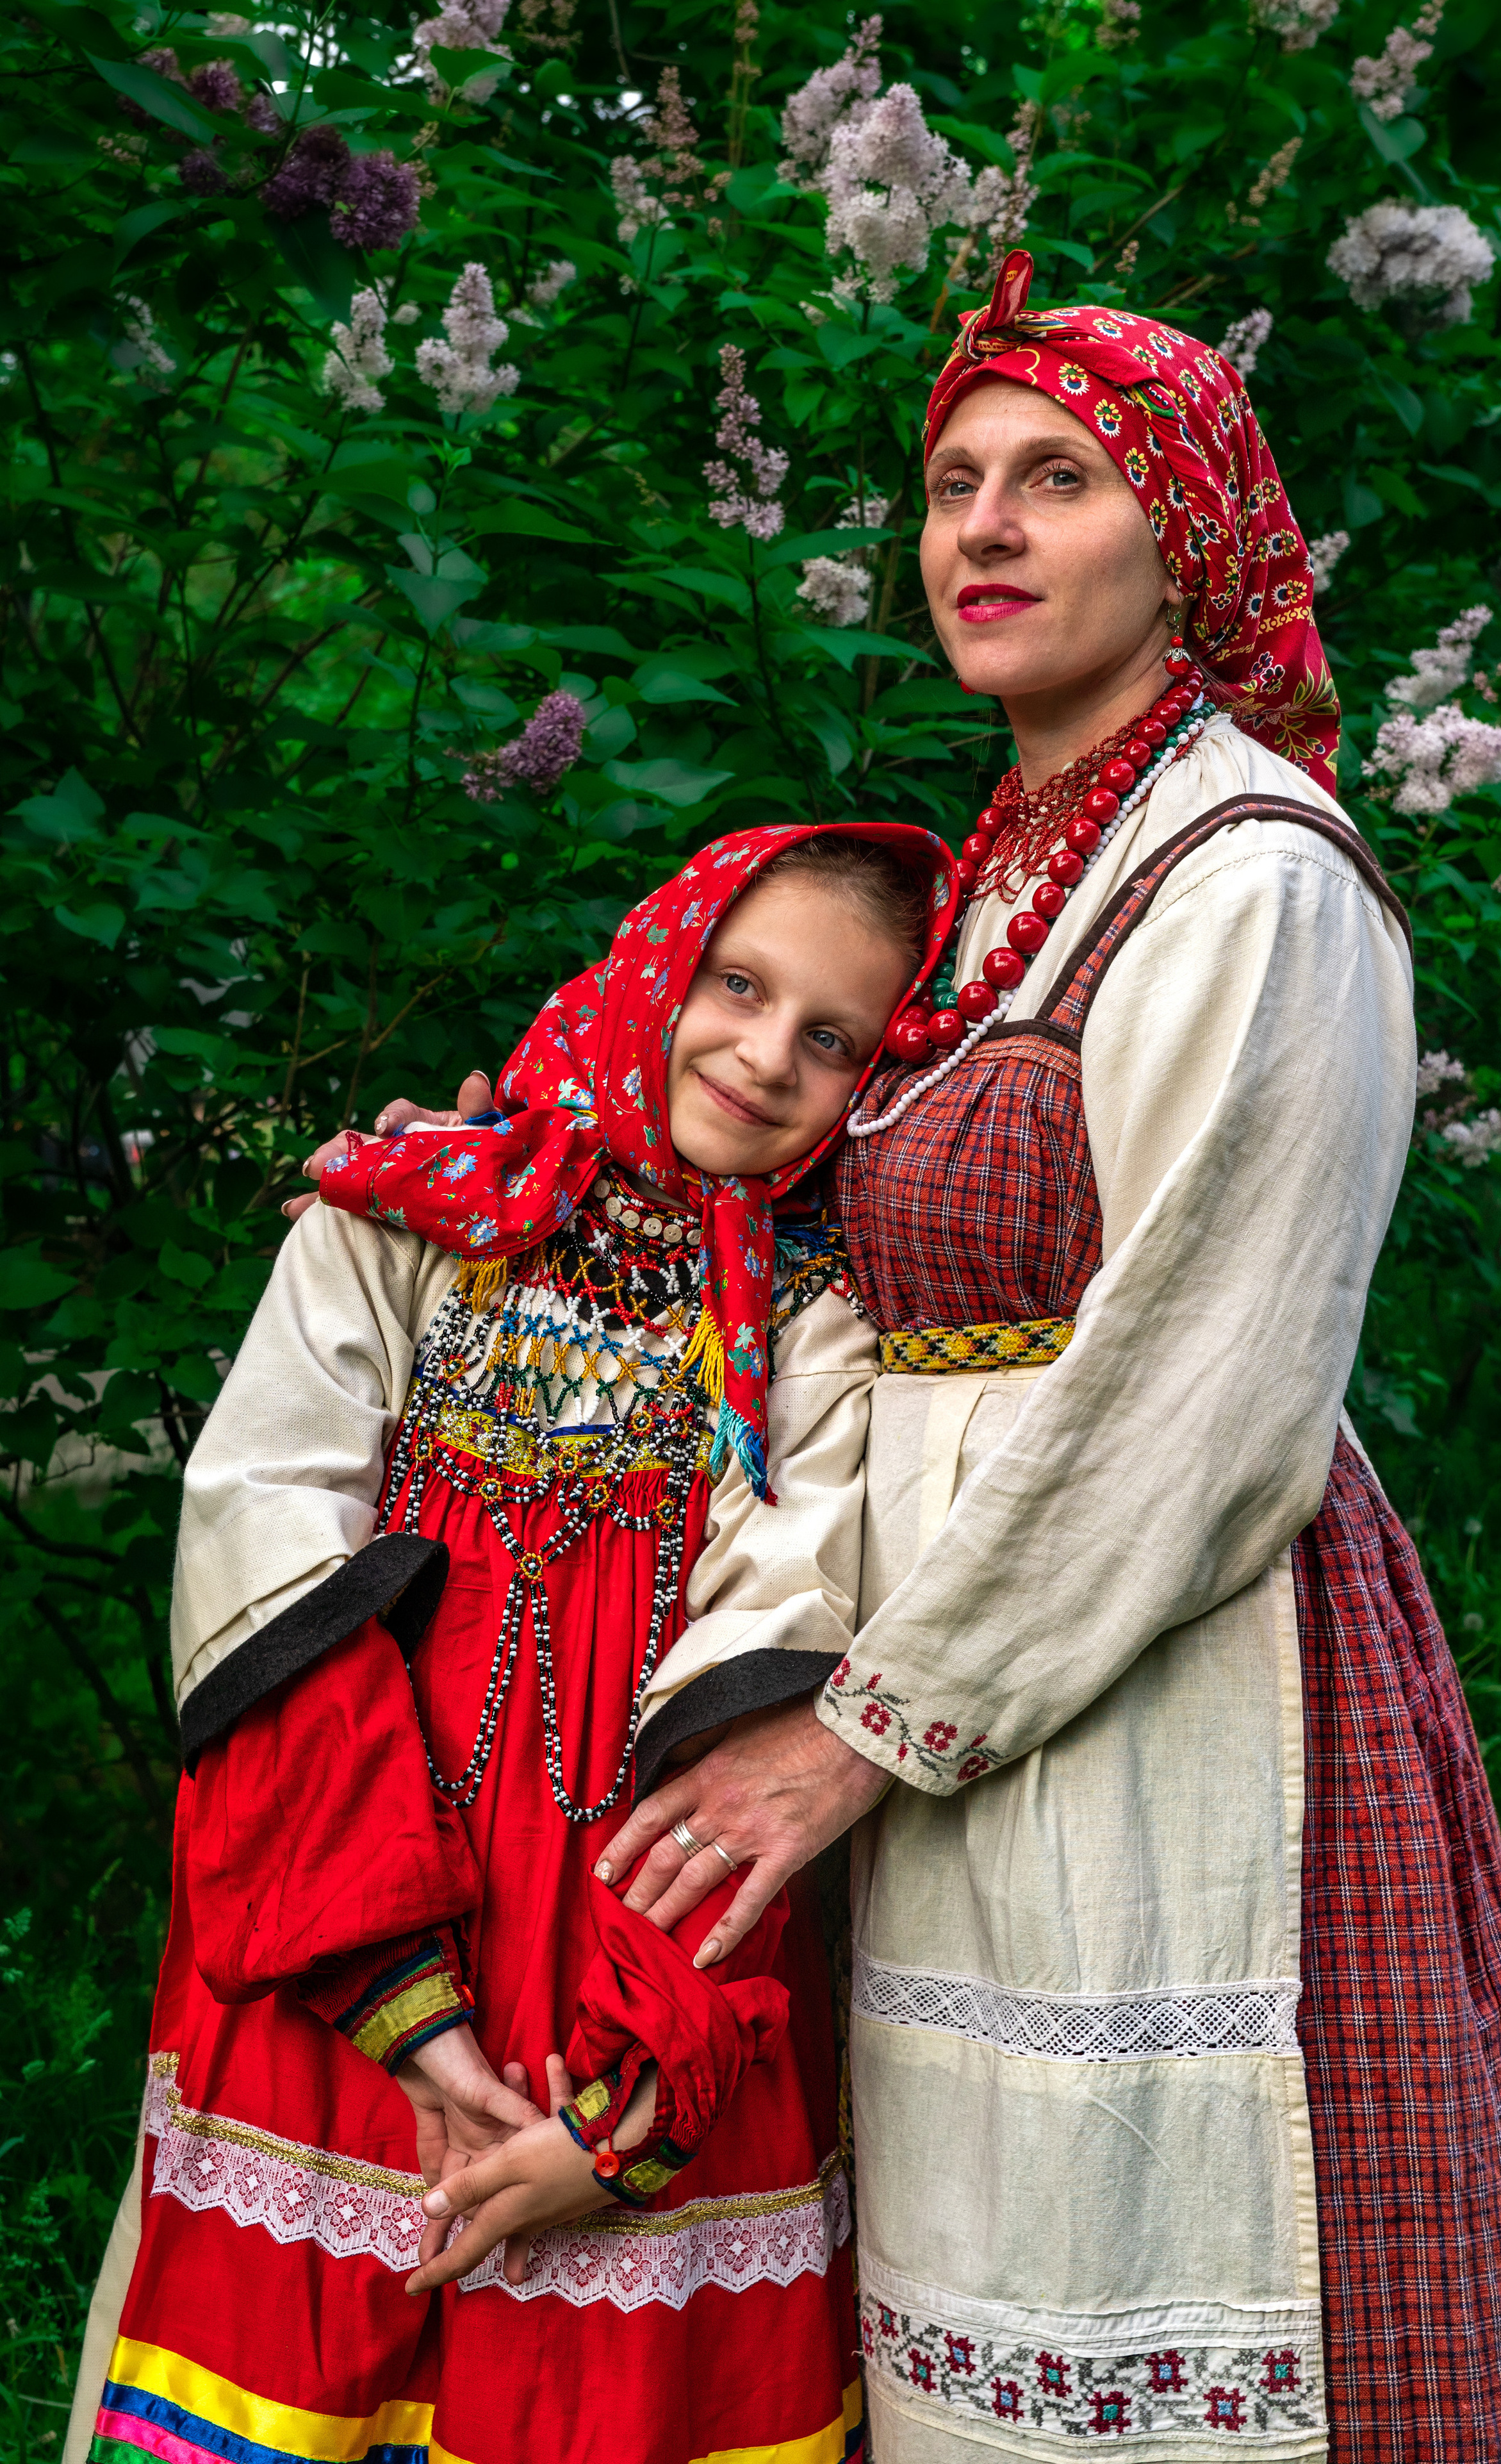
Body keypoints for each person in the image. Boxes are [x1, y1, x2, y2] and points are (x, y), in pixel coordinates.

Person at [562, 254, 1501, 2462]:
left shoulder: (1255, 870)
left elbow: (1203, 1386)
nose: (982, 526)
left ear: (1187, 543)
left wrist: (864, 1732)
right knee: (985, 2289)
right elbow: (841, 1304)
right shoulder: (985, 891)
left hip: (1171, 1692)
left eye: (1054, 480)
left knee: (1176, 2272)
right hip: (955, 1697)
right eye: (954, 482)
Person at [69, 821, 956, 2464]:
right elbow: (263, 1564)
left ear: (877, 1069)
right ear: (654, 964)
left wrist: (623, 2125)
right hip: (338, 1946)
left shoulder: (817, 1324)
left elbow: (757, 1708)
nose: (765, 1056)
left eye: (830, 1035)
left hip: (623, 1988)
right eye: (735, 984)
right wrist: (393, 1992)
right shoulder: (413, 1212)